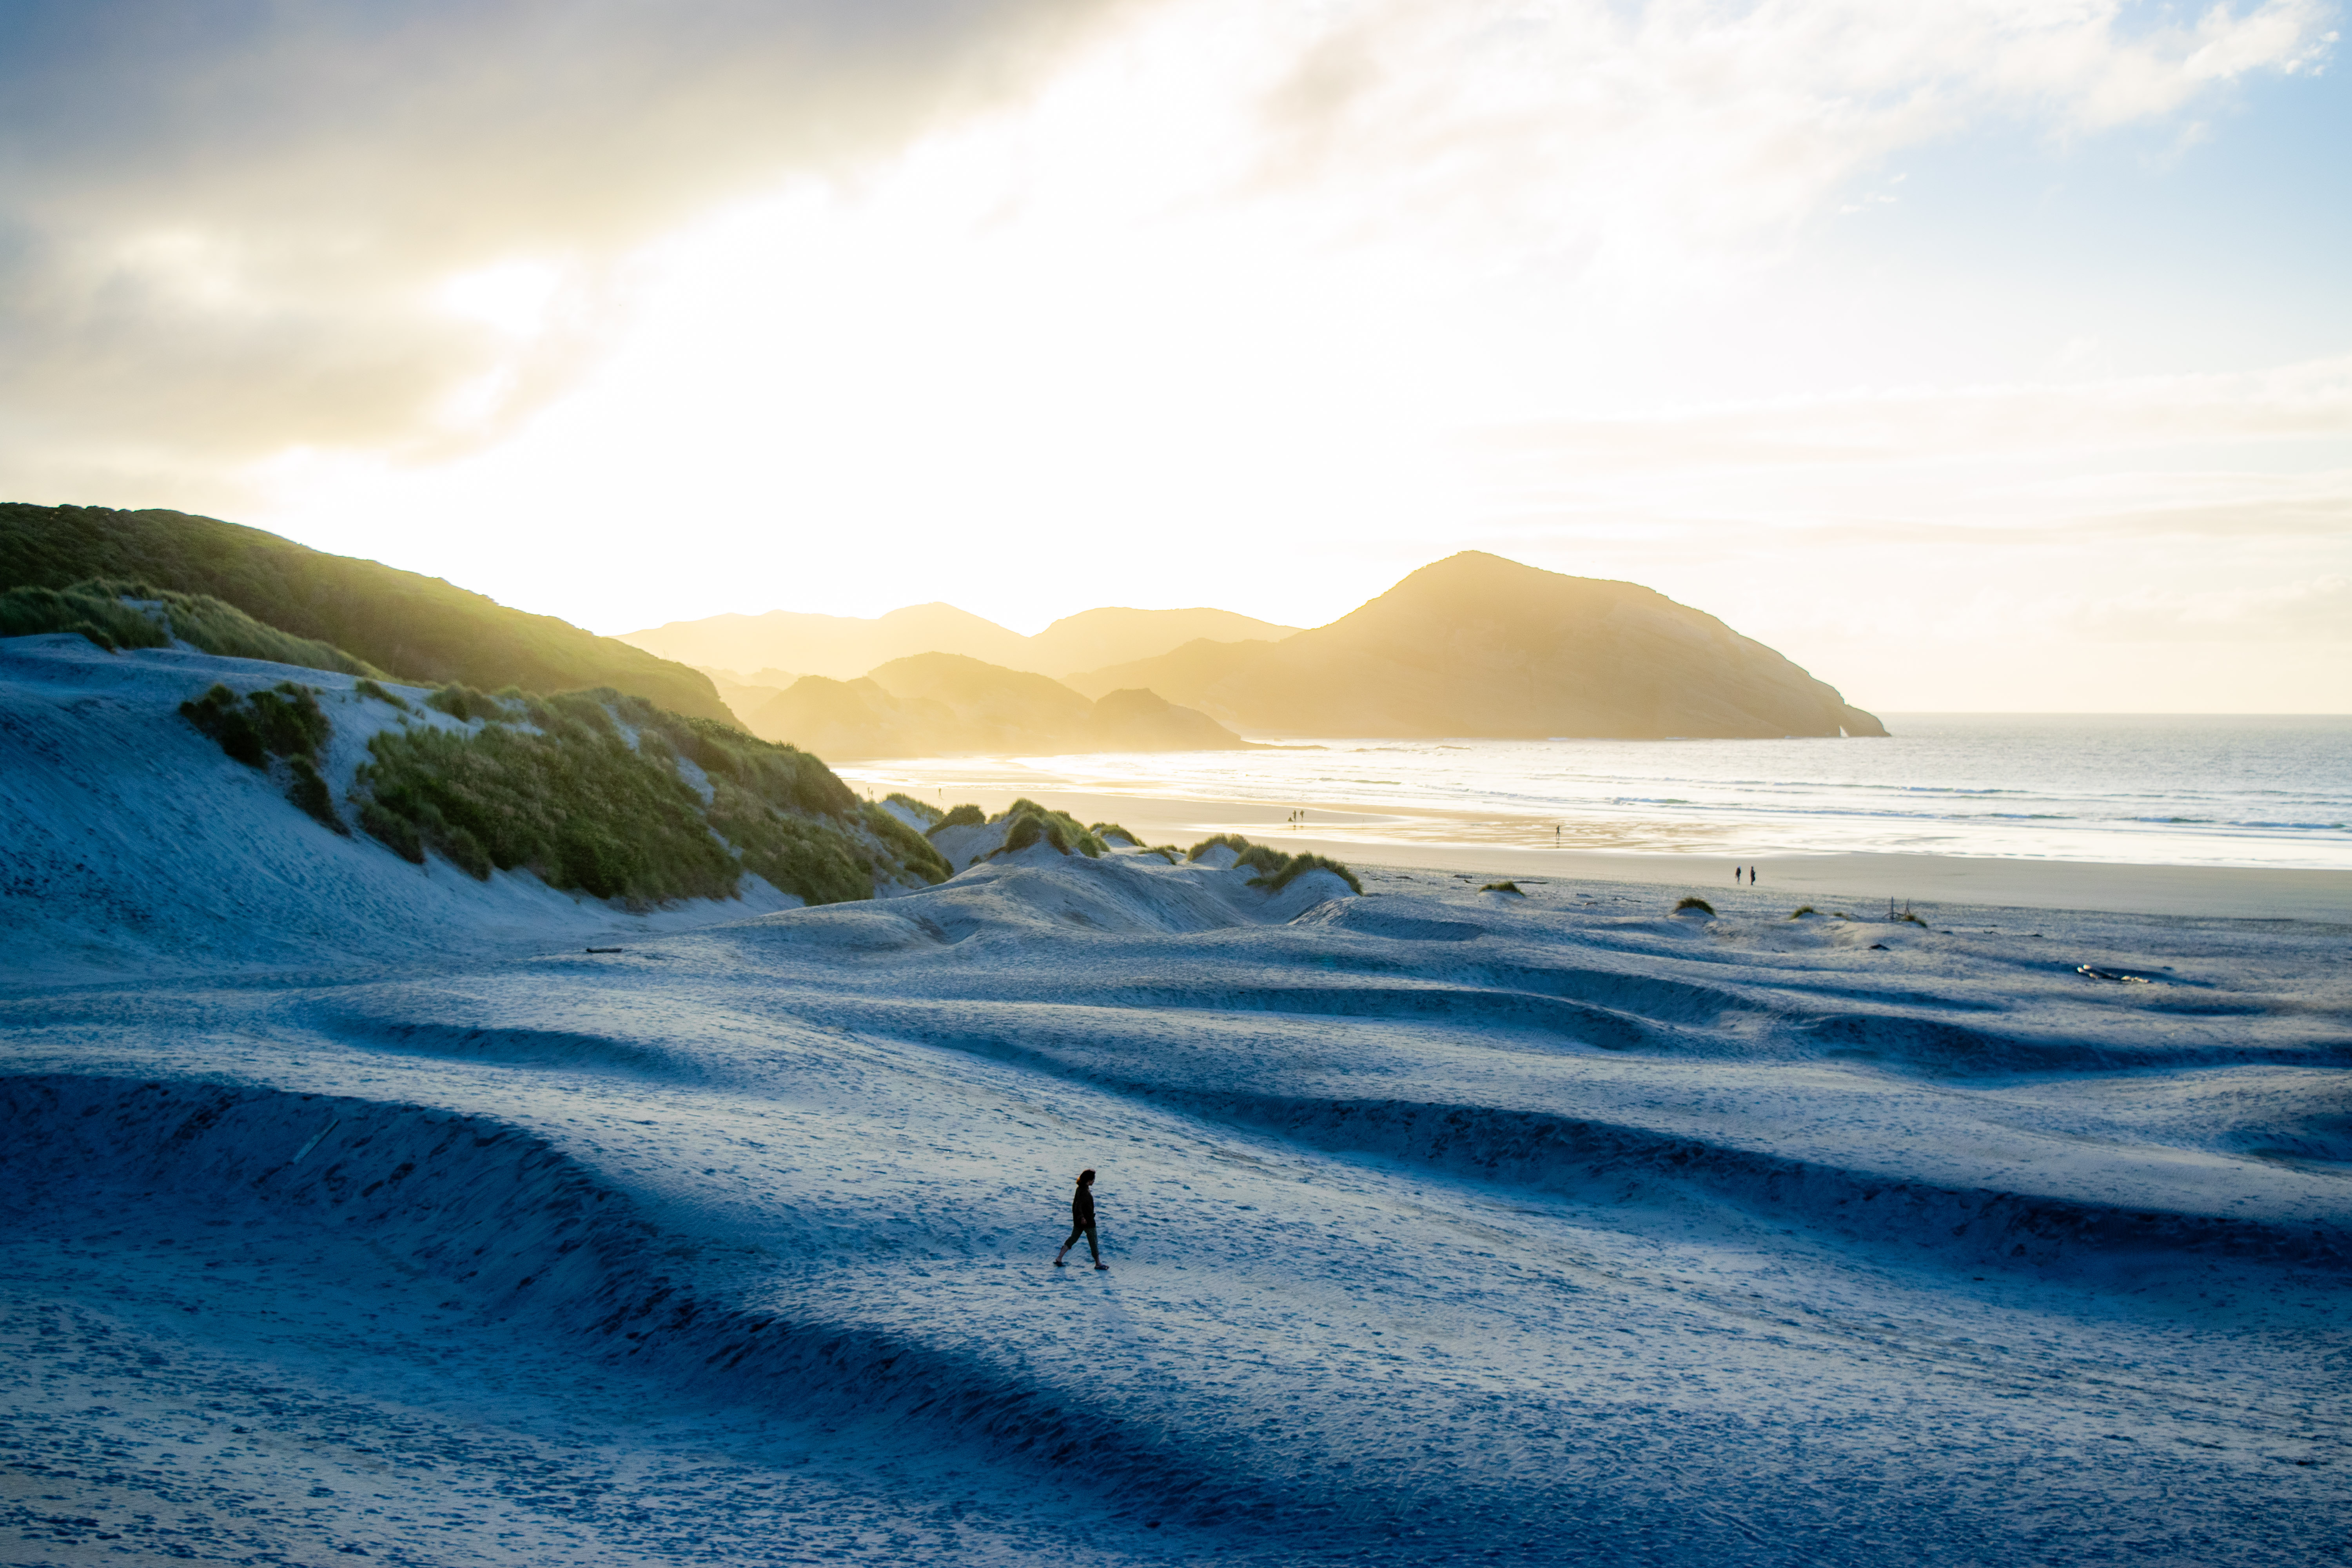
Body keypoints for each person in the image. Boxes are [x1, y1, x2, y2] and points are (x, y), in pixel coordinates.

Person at [1054, 1168, 1108, 1270]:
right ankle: (1098, 1263)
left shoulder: (1081, 1189)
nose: (1094, 1181)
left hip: (1079, 1221)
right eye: (1093, 1179)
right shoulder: (1084, 1191)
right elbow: (1078, 1205)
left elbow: (1076, 1205)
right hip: (1087, 1221)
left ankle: (1059, 1258)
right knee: (1094, 1241)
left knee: (1073, 1238)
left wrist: (1079, 1218)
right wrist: (1083, 1217)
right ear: (1089, 1181)